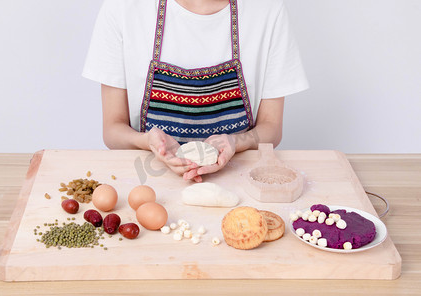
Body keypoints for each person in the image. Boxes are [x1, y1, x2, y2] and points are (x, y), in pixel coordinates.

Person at [82, 0, 308, 182]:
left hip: (239, 179)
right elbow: (113, 130)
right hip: (149, 181)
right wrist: (148, 142)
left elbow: (272, 129)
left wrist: (237, 142)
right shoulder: (122, 8)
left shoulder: (268, 11)